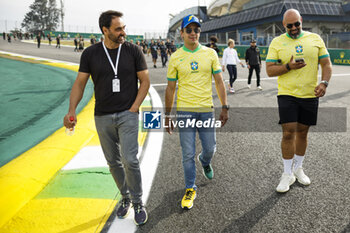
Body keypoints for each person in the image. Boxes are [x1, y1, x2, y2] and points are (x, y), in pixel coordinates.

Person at [63, 10, 150, 225]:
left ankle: (138, 202)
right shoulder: (90, 54)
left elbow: (145, 81)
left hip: (128, 114)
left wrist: (134, 108)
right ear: (105, 30)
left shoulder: (133, 50)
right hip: (102, 116)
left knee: (130, 159)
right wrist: (71, 110)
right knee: (113, 162)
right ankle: (125, 197)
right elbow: (80, 84)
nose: (123, 32)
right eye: (118, 29)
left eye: (123, 27)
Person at [165, 14, 229, 210]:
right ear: (182, 33)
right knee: (187, 154)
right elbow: (170, 88)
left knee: (210, 148)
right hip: (185, 111)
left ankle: (205, 160)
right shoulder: (175, 57)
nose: (194, 33)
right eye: (189, 30)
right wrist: (168, 116)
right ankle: (190, 188)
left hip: (206, 110)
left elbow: (219, 81)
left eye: (197, 30)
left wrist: (225, 106)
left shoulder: (210, 54)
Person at [265, 9, 332, 193]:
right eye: (289, 25)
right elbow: (270, 70)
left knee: (302, 133)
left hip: (310, 94)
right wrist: (288, 66)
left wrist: (324, 83)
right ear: (283, 25)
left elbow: (326, 64)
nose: (294, 28)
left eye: (297, 24)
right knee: (288, 133)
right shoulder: (277, 42)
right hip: (287, 94)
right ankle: (287, 173)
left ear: (301, 21)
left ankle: (298, 168)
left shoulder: (315, 39)